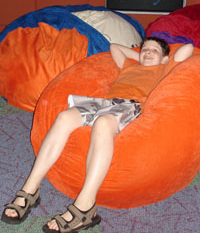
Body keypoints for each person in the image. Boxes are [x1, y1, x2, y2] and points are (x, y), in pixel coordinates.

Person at [1, 37, 194, 233]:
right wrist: (140, 55)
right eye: (145, 49)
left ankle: (85, 206)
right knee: (64, 118)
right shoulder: (129, 65)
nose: (148, 52)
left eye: (154, 51)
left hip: (132, 106)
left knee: (103, 124)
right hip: (106, 103)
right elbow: (115, 47)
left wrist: (162, 59)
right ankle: (30, 190)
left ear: (164, 58)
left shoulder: (163, 68)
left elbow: (188, 49)